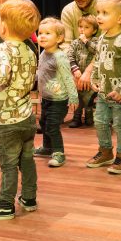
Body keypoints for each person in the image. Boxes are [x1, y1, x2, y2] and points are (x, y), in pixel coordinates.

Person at [0, 0, 41, 221]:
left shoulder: (1, 50)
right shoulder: (30, 51)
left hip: (7, 120)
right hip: (27, 117)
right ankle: (29, 197)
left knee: (9, 163)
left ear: (3, 26)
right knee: (27, 159)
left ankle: (5, 204)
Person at [86, 0, 121, 174]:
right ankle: (106, 151)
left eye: (104, 13)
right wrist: (94, 78)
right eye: (98, 12)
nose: (99, 17)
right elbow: (98, 60)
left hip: (120, 95)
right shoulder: (101, 38)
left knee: (119, 125)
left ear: (120, 18)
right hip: (103, 92)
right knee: (100, 122)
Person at [34, 17, 78, 167]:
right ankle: (47, 148)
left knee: (52, 126)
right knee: (44, 123)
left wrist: (74, 98)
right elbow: (41, 73)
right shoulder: (43, 54)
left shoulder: (60, 57)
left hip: (58, 100)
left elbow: (68, 78)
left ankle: (59, 152)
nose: (42, 36)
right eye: (40, 33)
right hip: (46, 98)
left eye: (48, 33)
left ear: (59, 38)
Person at [61, 0, 100, 92]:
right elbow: (66, 45)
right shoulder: (68, 11)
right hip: (76, 63)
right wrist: (74, 70)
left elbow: (105, 47)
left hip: (99, 61)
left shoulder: (103, 7)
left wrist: (89, 71)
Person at [67, 14, 99, 128]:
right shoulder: (75, 42)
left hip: (91, 77)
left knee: (89, 98)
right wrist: (75, 69)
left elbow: (97, 51)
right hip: (77, 75)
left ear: (94, 30)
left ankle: (89, 117)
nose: (82, 29)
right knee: (78, 96)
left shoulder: (96, 41)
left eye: (86, 27)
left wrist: (86, 41)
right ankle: (77, 117)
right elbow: (70, 56)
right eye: (80, 26)